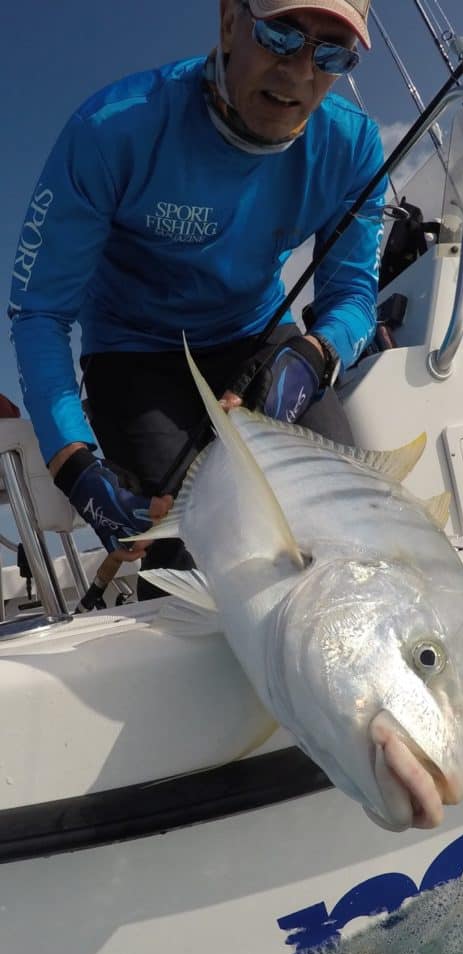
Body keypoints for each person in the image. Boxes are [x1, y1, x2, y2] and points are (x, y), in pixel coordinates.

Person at [7, 0, 384, 582]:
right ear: (230, 22)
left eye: (332, 52)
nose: (301, 70)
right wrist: (75, 465)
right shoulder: (112, 129)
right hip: (133, 356)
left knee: (347, 517)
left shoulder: (354, 148)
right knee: (195, 552)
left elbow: (354, 295)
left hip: (258, 339)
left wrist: (314, 356)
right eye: (281, 35)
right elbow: (40, 313)